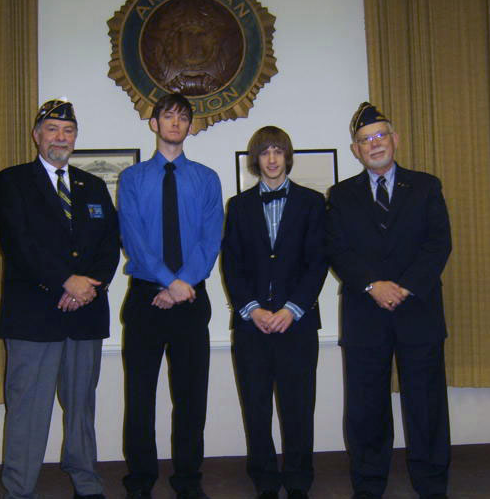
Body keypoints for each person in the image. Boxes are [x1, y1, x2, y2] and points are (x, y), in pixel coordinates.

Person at [0, 98, 120, 499]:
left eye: (68, 131)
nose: (60, 137)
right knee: (28, 407)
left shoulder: (94, 185)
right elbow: (18, 244)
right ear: (36, 135)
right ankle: (19, 487)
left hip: (85, 314)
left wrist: (88, 287)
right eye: (52, 129)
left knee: (81, 406)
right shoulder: (12, 182)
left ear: (75, 138)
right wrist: (65, 281)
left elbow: (109, 247)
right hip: (34, 314)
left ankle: (85, 478)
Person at [325, 102, 452, 499]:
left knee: (426, 405)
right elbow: (337, 250)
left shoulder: (427, 186)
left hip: (419, 312)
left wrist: (404, 287)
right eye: (365, 140)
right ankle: (368, 483)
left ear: (395, 140)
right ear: (355, 150)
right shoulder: (341, 194)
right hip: (366, 314)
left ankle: (431, 484)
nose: (374, 144)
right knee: (365, 408)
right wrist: (371, 285)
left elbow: (438, 244)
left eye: (381, 136)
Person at [117, 93, 223, 499]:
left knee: (191, 398)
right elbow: (134, 239)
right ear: (154, 123)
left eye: (183, 117)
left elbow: (210, 240)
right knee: (140, 397)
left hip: (192, 301)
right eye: (168, 115)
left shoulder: (207, 179)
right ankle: (140, 479)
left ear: (190, 126)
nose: (175, 122)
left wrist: (182, 286)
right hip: (146, 300)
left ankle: (187, 479)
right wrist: (167, 282)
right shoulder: (132, 179)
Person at [221, 126, 328, 499]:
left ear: (287, 157)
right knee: (256, 407)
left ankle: (299, 479)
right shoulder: (238, 206)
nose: (271, 159)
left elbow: (317, 264)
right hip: (252, 327)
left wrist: (292, 309)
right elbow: (231, 266)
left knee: (299, 407)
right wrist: (251, 309)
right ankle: (264, 479)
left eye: (278, 152)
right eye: (264, 152)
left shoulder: (313, 203)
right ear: (256, 159)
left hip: (297, 325)